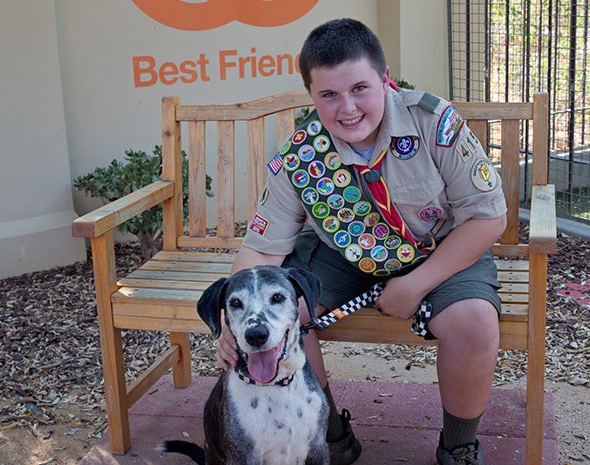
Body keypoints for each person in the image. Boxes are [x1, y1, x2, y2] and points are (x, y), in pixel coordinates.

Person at [216, 18, 507, 465]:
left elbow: (488, 218)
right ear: (312, 97)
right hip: (345, 257)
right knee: (290, 306)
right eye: (329, 95)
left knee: (474, 321)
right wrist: (230, 323)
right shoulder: (301, 156)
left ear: (386, 80)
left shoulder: (433, 122)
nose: (347, 108)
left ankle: (459, 447)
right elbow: (261, 250)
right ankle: (328, 433)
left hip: (441, 250)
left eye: (359, 89)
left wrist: (417, 283)